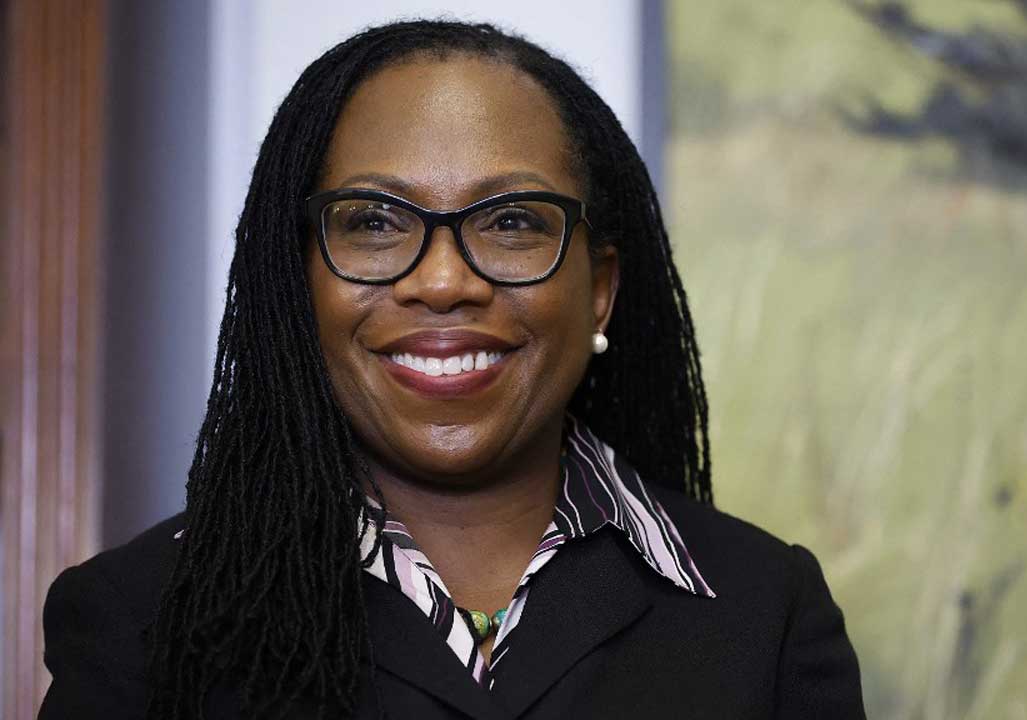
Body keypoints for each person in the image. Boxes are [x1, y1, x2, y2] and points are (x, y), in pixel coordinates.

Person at [39, 19, 866, 720]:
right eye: (374, 222)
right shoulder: (139, 619)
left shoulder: (767, 612)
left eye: (512, 222)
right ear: (298, 283)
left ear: (600, 292)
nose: (442, 282)